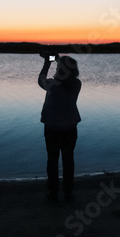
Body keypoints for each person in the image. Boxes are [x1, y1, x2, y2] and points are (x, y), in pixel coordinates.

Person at [38, 52, 81, 202]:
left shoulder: (52, 85)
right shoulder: (76, 84)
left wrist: (47, 62)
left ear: (59, 69)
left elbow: (40, 79)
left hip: (52, 127)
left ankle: (53, 193)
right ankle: (68, 193)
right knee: (68, 160)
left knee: (52, 160)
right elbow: (65, 75)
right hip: (70, 127)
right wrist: (58, 59)